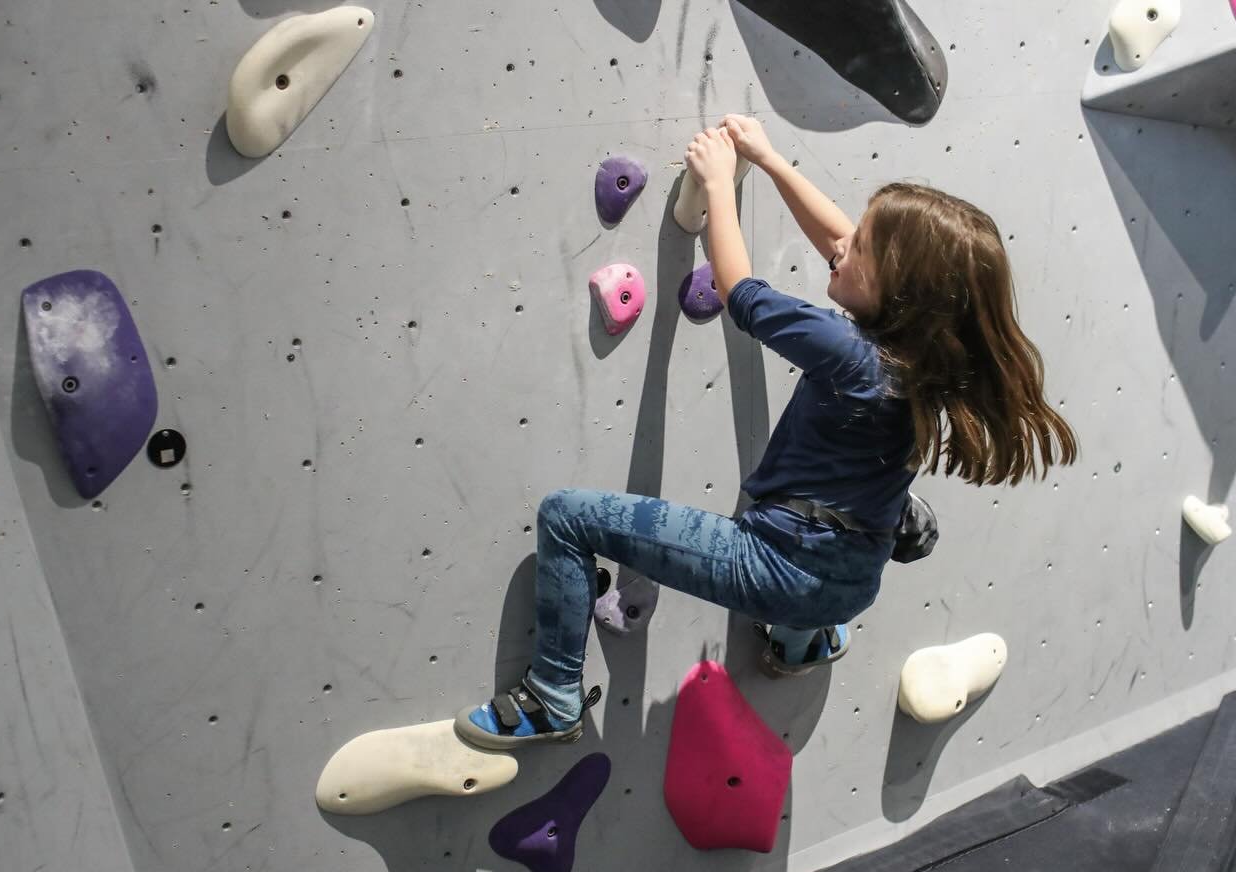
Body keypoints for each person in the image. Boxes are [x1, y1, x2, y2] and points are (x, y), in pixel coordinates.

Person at [454, 115, 1077, 750]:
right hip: (855, 577)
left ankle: (554, 697)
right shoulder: (929, 356)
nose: (842, 242)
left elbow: (743, 296)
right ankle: (798, 644)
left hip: (777, 567)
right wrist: (771, 160)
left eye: (861, 247)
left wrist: (722, 184)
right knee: (861, 507)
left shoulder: (847, 353)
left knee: (567, 516)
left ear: (898, 289)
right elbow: (841, 239)